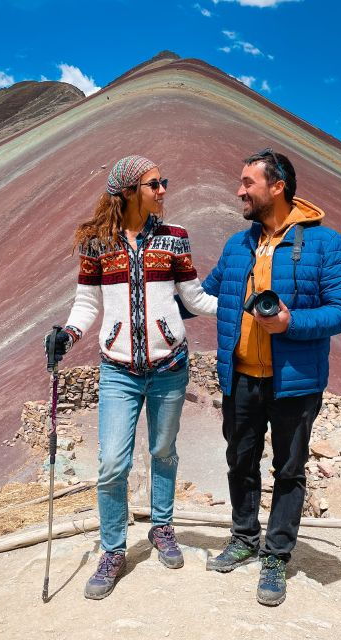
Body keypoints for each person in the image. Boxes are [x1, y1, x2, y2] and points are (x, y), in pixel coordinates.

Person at [45, 155, 217, 600]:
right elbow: (86, 303)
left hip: (170, 366)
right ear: (127, 192)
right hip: (117, 369)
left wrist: (241, 306)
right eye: (153, 184)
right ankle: (113, 550)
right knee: (112, 463)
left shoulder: (175, 238)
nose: (163, 190)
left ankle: (162, 527)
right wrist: (68, 333)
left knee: (163, 451)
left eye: (163, 182)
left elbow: (194, 298)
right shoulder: (97, 243)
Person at [201, 148, 341, 606]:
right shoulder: (237, 245)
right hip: (241, 376)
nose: (239, 191)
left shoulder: (325, 243)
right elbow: (204, 293)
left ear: (277, 187)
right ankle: (244, 536)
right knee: (240, 461)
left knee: (289, 470)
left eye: (248, 182)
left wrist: (292, 323)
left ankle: (276, 555)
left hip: (296, 381)